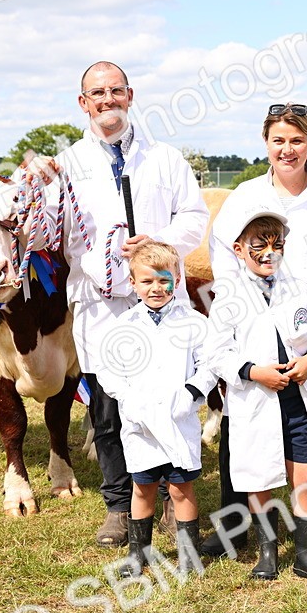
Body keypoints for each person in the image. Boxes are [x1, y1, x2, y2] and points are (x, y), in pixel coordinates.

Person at [26, 61, 209, 548]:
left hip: (163, 300)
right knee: (109, 407)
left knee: (172, 399)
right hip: (101, 305)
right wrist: (31, 191)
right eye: (96, 93)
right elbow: (46, 233)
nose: (107, 100)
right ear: (82, 103)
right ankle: (118, 504)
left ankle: (173, 497)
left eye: (114, 91)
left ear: (130, 95)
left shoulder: (166, 158)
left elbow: (194, 217)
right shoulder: (66, 166)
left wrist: (160, 242)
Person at [200, 103, 307, 558]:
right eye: (279, 140)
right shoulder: (244, 196)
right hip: (253, 335)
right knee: (242, 435)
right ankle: (235, 528)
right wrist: (242, 289)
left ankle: (305, 534)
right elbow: (223, 255)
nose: (288, 149)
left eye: (297, 140)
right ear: (266, 145)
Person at [210, 205, 307, 586]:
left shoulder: (298, 289)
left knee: (304, 471)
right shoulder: (228, 297)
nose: (269, 253)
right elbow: (215, 352)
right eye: (259, 245)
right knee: (259, 472)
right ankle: (267, 551)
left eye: (278, 245)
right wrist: (253, 372)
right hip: (255, 401)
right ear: (239, 250)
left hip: (297, 398)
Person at [94, 241, 227, 577]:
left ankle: (188, 555)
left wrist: (191, 394)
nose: (156, 288)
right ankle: (138, 555)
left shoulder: (194, 322)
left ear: (177, 279)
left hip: (179, 420)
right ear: (134, 283)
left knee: (182, 488)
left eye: (163, 280)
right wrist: (131, 401)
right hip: (140, 424)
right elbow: (109, 372)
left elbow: (209, 364)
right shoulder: (124, 325)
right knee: (143, 487)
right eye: (147, 281)